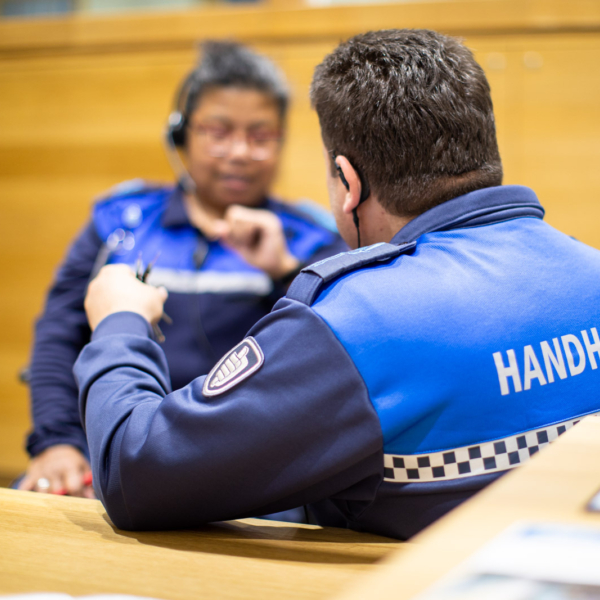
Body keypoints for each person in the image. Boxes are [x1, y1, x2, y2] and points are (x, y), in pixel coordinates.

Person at [74, 29, 600, 540]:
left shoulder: (355, 323)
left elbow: (134, 473)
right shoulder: (589, 270)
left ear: (349, 183)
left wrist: (121, 327)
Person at [20, 40, 347, 499]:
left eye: (260, 135)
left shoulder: (310, 236)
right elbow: (58, 335)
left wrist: (285, 271)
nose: (239, 151)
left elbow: (338, 351)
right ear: (180, 134)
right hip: (115, 447)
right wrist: (57, 444)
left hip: (251, 468)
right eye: (218, 130)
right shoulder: (120, 223)